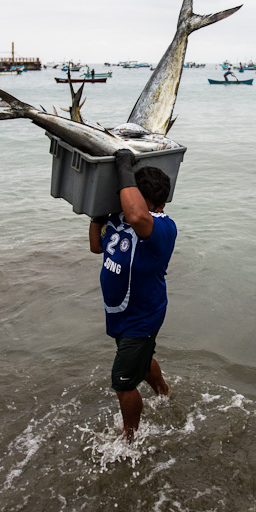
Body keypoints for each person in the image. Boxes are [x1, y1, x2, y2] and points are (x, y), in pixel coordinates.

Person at [89, 151, 177, 441]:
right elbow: (95, 246)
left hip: (143, 314)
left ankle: (130, 439)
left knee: (123, 383)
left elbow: (139, 216)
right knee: (144, 357)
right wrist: (98, 211)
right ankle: (164, 392)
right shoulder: (119, 217)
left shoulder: (164, 226)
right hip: (120, 311)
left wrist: (123, 169)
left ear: (161, 205)